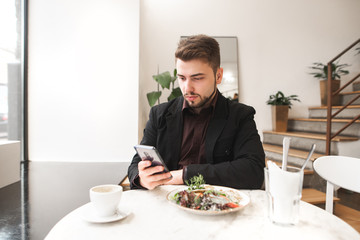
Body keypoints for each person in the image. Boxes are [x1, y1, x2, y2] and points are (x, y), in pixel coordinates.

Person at [128, 34, 265, 190]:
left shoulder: (240, 116)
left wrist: (185, 175)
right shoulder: (159, 114)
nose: (187, 88)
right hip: (168, 206)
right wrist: (142, 178)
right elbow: (135, 166)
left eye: (197, 78)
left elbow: (253, 171)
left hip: (218, 207)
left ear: (218, 75)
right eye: (182, 78)